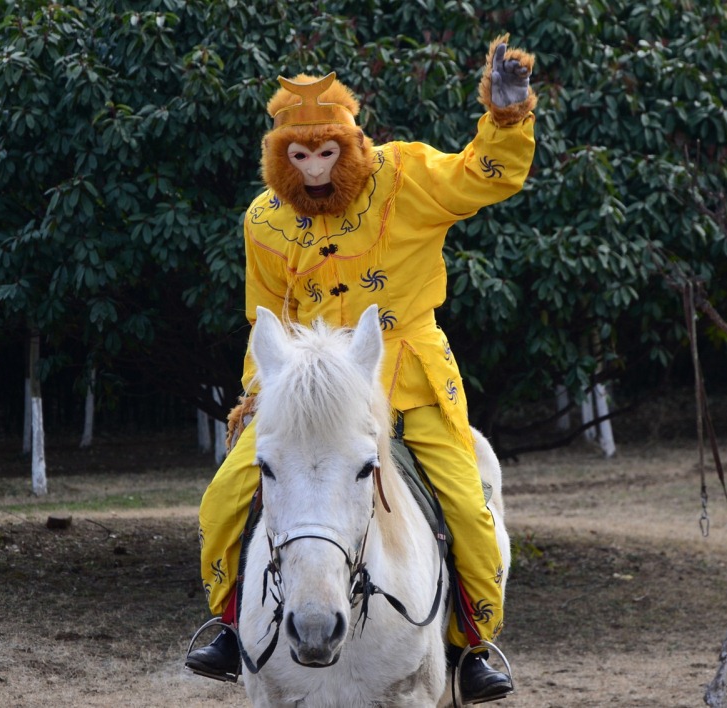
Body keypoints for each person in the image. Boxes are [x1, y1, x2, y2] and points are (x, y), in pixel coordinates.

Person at [186, 33, 537, 704]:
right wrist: (262, 397)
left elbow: (480, 175)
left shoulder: (404, 176)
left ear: (350, 146)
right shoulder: (262, 219)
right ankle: (230, 626)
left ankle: (468, 648)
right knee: (224, 501)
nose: (315, 169)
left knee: (468, 509)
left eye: (326, 153)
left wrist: (505, 118)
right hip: (305, 391)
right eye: (299, 155)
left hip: (408, 380)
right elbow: (267, 320)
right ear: (279, 156)